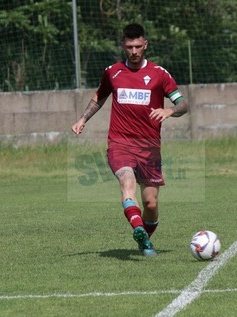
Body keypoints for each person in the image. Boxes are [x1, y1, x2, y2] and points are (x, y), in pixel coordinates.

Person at [71, 23, 188, 256]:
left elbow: (184, 104)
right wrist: (83, 118)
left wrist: (170, 111)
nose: (133, 51)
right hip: (120, 143)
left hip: (149, 148)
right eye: (129, 47)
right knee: (127, 183)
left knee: (151, 204)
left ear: (145, 45)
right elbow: (98, 98)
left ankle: (144, 238)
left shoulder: (159, 75)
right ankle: (137, 228)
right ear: (123, 46)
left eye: (137, 46)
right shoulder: (112, 72)